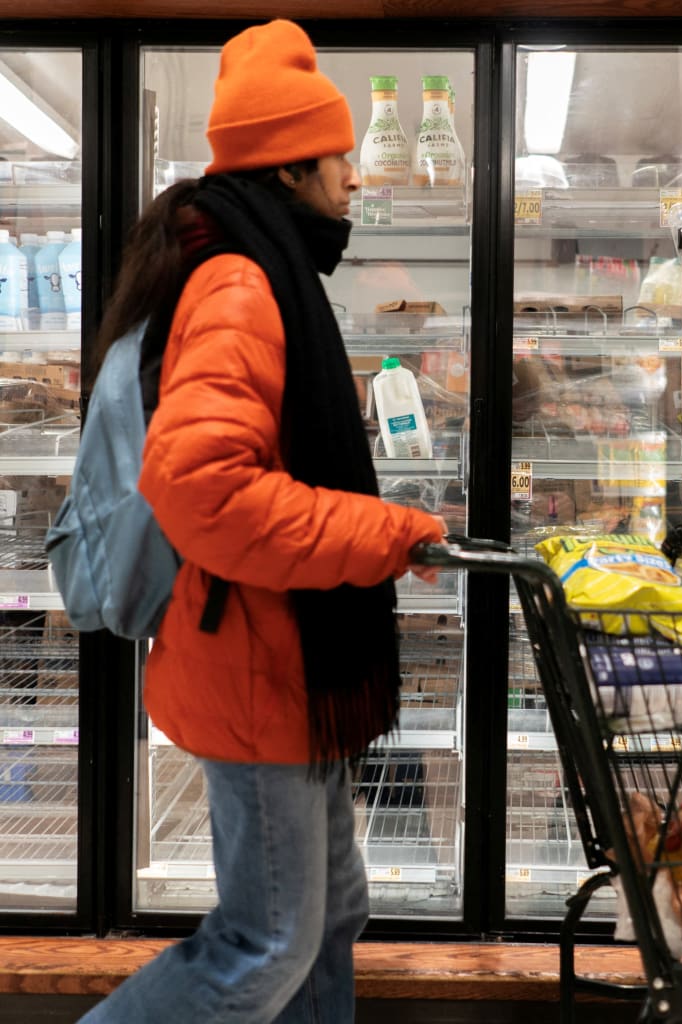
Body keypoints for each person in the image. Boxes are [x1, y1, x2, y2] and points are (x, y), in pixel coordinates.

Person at [79, 19, 446, 1024]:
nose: (355, 177)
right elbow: (204, 489)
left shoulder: (260, 266)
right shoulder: (242, 282)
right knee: (265, 941)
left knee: (330, 915)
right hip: (257, 663)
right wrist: (381, 531)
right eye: (340, 154)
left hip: (285, 659)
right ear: (290, 163)